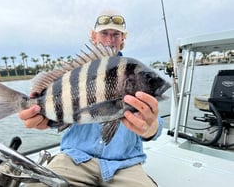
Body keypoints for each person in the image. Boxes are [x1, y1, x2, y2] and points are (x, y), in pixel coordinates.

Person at [19, 11, 163, 187]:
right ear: (93, 36)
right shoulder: (78, 70)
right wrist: (45, 119)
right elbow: (64, 109)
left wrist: (151, 127)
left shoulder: (135, 70)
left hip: (125, 165)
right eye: (104, 33)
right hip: (74, 159)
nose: (110, 39)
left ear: (123, 38)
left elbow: (155, 122)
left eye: (116, 34)